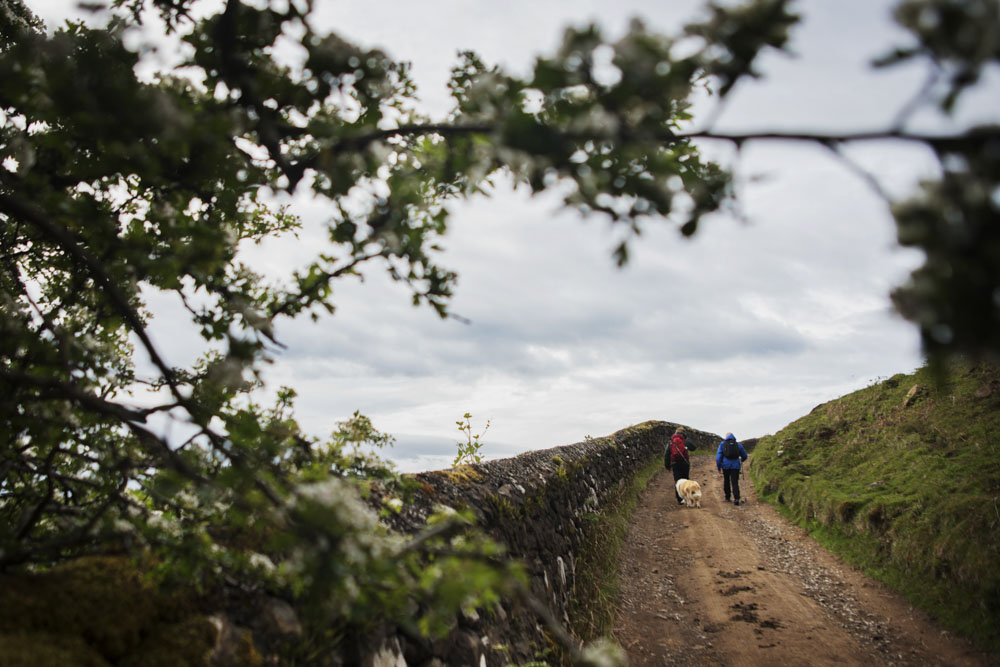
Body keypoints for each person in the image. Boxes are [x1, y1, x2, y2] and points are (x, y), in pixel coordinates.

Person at [665, 427, 695, 505]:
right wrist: (688, 440)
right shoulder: (685, 440)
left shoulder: (671, 441)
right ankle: (687, 497)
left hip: (675, 463)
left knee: (678, 481)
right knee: (686, 480)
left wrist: (667, 465)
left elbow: (666, 453)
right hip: (685, 463)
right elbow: (693, 447)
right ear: (684, 432)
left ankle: (680, 499)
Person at [716, 433, 748, 506]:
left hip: (725, 466)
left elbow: (718, 457)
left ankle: (727, 497)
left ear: (726, 437)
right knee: (735, 482)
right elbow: (745, 455)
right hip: (735, 466)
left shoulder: (722, 444)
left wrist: (719, 467)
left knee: (726, 480)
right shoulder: (738, 445)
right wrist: (741, 460)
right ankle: (736, 499)